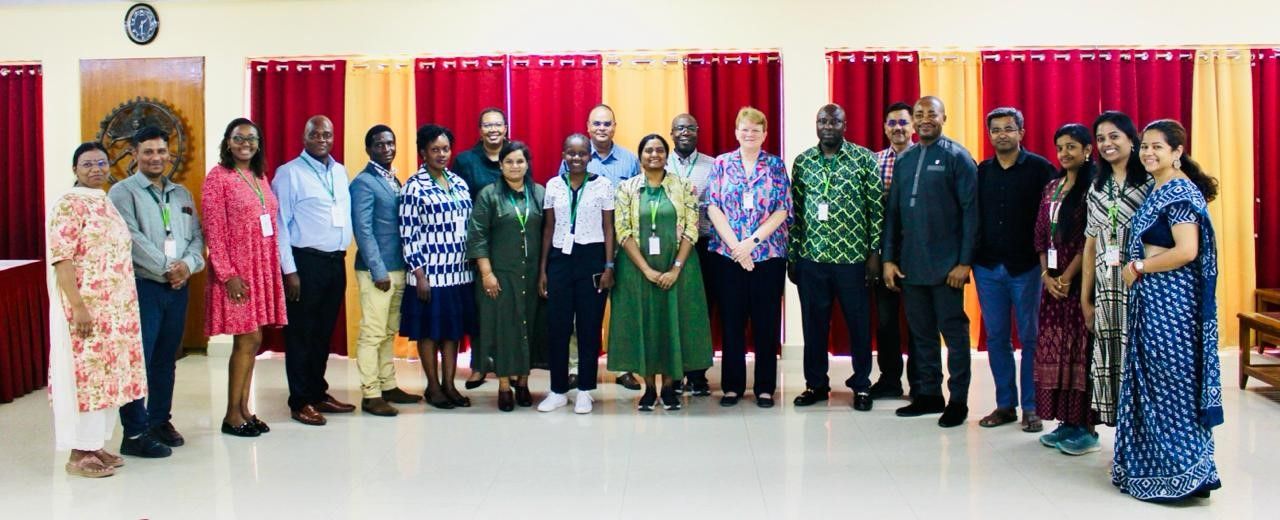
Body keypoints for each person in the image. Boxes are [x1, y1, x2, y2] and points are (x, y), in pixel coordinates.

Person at [1113, 119, 1222, 501]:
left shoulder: (1177, 193)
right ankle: (1158, 468)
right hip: (1154, 303)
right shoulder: (1158, 190)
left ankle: (1184, 472)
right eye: (1144, 146)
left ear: (1177, 153)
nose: (1148, 153)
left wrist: (1140, 267)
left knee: (1171, 384)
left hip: (1172, 307)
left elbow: (1186, 251)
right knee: (1156, 384)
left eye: (1158, 146)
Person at [47, 142, 148, 477]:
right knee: (87, 378)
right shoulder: (69, 204)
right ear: (75, 169)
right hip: (86, 309)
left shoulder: (105, 202)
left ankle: (96, 445)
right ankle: (78, 453)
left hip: (116, 311)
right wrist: (78, 306)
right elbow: (63, 260)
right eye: (87, 164)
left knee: (110, 378)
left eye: (101, 163)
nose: (96, 169)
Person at [107, 126, 204, 456]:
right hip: (142, 287)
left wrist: (187, 266)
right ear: (134, 154)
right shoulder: (122, 193)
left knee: (166, 359)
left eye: (161, 151)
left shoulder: (181, 194)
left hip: (177, 288)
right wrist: (169, 267)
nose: (155, 157)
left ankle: (160, 420)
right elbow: (131, 239)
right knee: (138, 361)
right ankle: (135, 432)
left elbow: (196, 238)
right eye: (148, 152)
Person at [882, 96, 978, 428]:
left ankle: (958, 400)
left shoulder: (958, 157)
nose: (924, 119)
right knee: (920, 334)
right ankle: (928, 395)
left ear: (943, 117)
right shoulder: (905, 159)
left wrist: (964, 263)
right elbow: (892, 215)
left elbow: (971, 213)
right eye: (919, 114)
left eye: (930, 114)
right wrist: (888, 260)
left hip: (947, 268)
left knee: (954, 335)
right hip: (911, 266)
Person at [607, 134, 714, 411]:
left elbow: (692, 228)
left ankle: (668, 387)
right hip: (636, 270)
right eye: (648, 151)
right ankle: (648, 388)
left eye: (659, 150)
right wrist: (646, 270)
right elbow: (623, 230)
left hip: (678, 267)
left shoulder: (683, 187)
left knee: (671, 323)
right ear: (640, 157)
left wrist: (675, 269)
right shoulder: (626, 189)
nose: (654, 155)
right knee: (644, 324)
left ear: (666, 155)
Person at [789, 104, 882, 411]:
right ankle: (815, 384)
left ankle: (862, 385)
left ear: (845, 124)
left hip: (853, 259)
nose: (827, 125)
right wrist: (794, 255)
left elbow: (875, 209)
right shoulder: (803, 162)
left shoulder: (864, 159)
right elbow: (796, 214)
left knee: (858, 325)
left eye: (834, 121)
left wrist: (873, 254)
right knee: (813, 325)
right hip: (812, 258)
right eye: (822, 121)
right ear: (816, 125)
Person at [203, 118, 289, 437]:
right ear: (228, 142)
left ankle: (244, 409)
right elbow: (213, 229)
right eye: (239, 138)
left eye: (252, 138)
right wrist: (227, 275)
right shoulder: (218, 178)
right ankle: (231, 415)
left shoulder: (259, 175)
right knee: (246, 338)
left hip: (260, 266)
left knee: (253, 339)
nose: (245, 143)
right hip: (237, 272)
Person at [973, 107, 1055, 432]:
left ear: (1021, 131)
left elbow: (1052, 220)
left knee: (1031, 337)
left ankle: (1032, 407)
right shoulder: (982, 172)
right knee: (996, 338)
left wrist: (1050, 263)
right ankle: (1005, 404)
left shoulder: (1040, 169)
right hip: (988, 266)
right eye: (996, 130)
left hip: (1027, 268)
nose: (1002, 134)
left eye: (1009, 128)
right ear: (989, 134)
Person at [272, 115, 356, 426]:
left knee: (323, 333)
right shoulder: (288, 173)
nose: (322, 138)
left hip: (335, 263)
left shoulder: (338, 170)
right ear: (304, 137)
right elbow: (281, 225)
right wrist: (289, 271)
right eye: (315, 133)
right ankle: (300, 401)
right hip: (304, 263)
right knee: (301, 335)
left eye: (327, 134)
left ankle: (318, 392)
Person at [705, 107, 792, 408]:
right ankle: (732, 386)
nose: (750, 133)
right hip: (727, 256)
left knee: (766, 322)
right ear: (736, 131)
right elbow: (713, 207)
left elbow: (782, 209)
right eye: (745, 128)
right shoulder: (721, 164)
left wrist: (751, 243)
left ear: (765, 134)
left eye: (756, 129)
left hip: (767, 256)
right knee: (731, 321)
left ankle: (765, 387)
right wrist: (736, 247)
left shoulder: (775, 166)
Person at [557, 104, 641, 390]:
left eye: (607, 123)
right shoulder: (576, 156)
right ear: (588, 127)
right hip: (586, 250)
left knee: (623, 309)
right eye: (597, 124)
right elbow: (563, 202)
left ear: (615, 126)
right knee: (581, 311)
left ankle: (623, 367)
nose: (602, 128)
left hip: (624, 247)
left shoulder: (630, 161)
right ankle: (574, 367)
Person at [1079, 111, 1153, 434]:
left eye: (1114, 137)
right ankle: (1124, 438)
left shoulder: (1150, 182)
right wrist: (1085, 299)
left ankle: (1145, 435)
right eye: (1101, 139)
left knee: (1140, 361)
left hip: (1142, 285)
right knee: (1111, 363)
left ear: (1131, 140)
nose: (1106, 144)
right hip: (1107, 290)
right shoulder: (1097, 187)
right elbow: (1091, 246)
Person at [537, 133, 617, 414]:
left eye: (582, 153)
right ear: (563, 154)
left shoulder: (603, 186)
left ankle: (585, 390)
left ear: (590, 156)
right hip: (559, 260)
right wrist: (543, 270)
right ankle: (558, 389)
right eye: (571, 153)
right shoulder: (553, 186)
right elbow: (548, 229)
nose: (576, 158)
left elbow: (609, 228)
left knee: (588, 326)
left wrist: (609, 266)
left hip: (592, 260)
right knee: (558, 327)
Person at [400, 124, 476, 409]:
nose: (442, 154)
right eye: (435, 150)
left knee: (453, 332)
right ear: (423, 152)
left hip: (458, 272)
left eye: (445, 149)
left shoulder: (458, 182)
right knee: (430, 332)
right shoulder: (414, 186)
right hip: (429, 273)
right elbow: (408, 233)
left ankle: (449, 384)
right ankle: (433, 387)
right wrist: (419, 274)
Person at [350, 125, 422, 417]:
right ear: (368, 149)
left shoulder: (394, 179)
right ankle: (370, 393)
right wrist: (378, 269)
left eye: (391, 143)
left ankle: (388, 384)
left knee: (388, 331)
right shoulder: (364, 182)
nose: (387, 149)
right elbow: (363, 230)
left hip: (399, 268)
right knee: (373, 332)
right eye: (379, 145)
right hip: (376, 272)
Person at [468, 141, 546, 411]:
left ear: (527, 165)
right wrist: (486, 273)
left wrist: (544, 273)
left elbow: (548, 234)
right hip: (500, 276)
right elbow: (477, 235)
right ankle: (504, 386)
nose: (515, 166)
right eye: (509, 161)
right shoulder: (489, 195)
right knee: (503, 329)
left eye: (520, 161)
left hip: (532, 275)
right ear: (500, 165)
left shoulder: (539, 193)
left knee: (529, 328)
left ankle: (523, 382)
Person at [1032, 124, 1095, 454]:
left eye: (1072, 146)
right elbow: (1041, 234)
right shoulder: (1052, 187)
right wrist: (1045, 273)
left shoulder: (1094, 189)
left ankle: (1085, 427)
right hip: (1052, 285)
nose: (1065, 153)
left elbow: (1089, 240)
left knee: (1078, 353)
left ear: (1087, 150)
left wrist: (1068, 277)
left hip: (1078, 282)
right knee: (1055, 352)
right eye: (1060, 147)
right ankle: (1064, 423)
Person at [454, 108, 510, 390]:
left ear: (506, 127)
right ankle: (478, 365)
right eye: (487, 125)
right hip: (477, 243)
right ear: (479, 130)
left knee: (506, 306)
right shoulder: (465, 161)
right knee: (480, 306)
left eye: (498, 124)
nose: (493, 129)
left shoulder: (514, 155)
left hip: (509, 243)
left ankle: (505, 363)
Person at [869, 102, 918, 400]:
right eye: (892, 123)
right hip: (883, 254)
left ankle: (921, 382)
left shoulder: (925, 159)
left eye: (903, 122)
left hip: (917, 254)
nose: (897, 128)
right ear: (885, 127)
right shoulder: (873, 162)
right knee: (885, 322)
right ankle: (889, 380)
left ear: (912, 126)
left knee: (918, 322)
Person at [667, 113, 716, 397]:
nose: (685, 132)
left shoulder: (713, 164)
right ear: (672, 133)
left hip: (703, 246)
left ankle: (697, 374)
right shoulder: (660, 162)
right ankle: (674, 371)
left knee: (701, 310)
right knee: (672, 309)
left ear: (697, 132)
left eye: (690, 128)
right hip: (669, 247)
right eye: (679, 128)